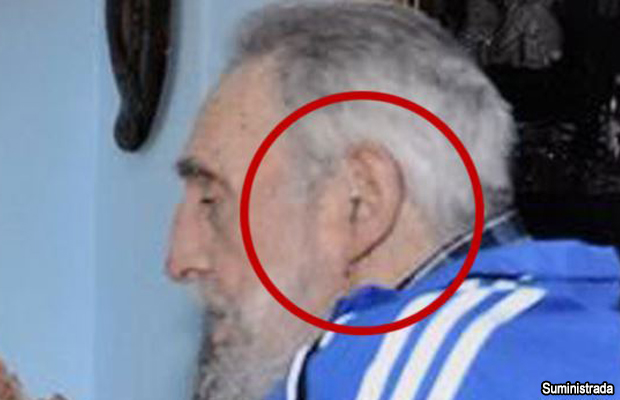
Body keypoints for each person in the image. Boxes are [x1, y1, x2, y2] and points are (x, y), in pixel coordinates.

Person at [166, 2, 620, 400]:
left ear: (360, 199)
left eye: (212, 201)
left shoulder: (381, 370)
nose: (180, 259)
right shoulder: (584, 330)